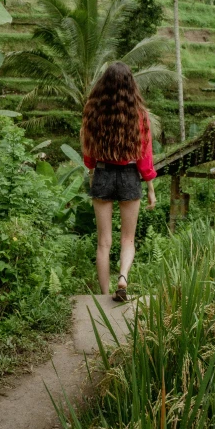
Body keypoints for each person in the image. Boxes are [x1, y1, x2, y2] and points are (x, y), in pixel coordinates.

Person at [81, 62, 157, 302]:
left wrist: (95, 164)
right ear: (130, 85)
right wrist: (151, 189)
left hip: (103, 174)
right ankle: (122, 277)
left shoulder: (92, 111)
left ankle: (103, 296)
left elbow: (88, 155)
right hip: (130, 176)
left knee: (103, 243)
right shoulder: (140, 115)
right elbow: (145, 156)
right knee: (128, 239)